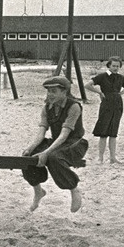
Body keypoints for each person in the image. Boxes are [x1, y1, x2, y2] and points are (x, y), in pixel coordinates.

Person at [21, 76, 88, 213]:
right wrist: (30, 148)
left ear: (64, 92)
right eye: (48, 91)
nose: (50, 95)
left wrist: (46, 152)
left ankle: (74, 189)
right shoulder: (47, 108)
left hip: (74, 143)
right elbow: (41, 132)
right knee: (28, 158)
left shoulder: (74, 106)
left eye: (54, 91)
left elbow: (64, 135)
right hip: (57, 141)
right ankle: (38, 191)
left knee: (53, 157)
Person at [85, 56, 124, 164]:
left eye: (117, 66)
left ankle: (112, 157)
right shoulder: (102, 76)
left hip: (118, 104)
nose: (115, 68)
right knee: (103, 132)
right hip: (106, 104)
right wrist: (99, 92)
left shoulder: (120, 77)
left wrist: (121, 93)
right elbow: (87, 85)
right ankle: (100, 158)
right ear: (109, 66)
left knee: (113, 132)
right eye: (113, 66)